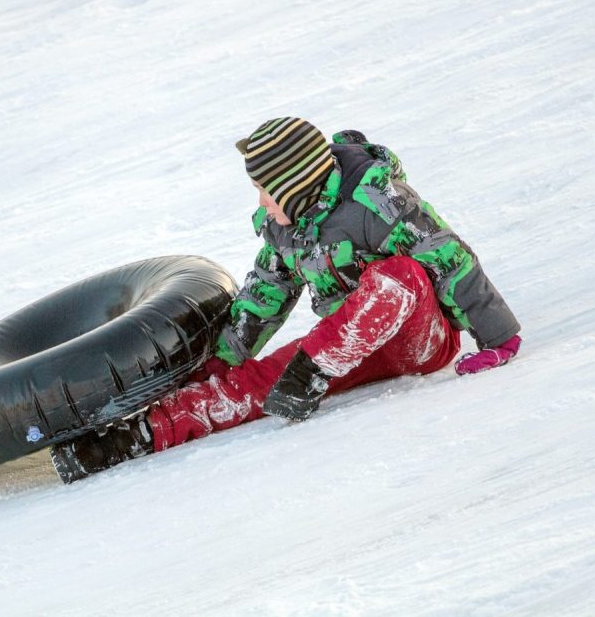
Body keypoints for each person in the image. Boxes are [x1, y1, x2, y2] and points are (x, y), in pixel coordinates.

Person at [50, 117, 522, 483]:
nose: (261, 203)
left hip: (420, 338)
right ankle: (127, 440)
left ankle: (313, 369)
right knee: (258, 382)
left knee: (399, 275)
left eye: (265, 191)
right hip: (343, 348)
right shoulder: (286, 230)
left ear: (295, 185)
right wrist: (217, 365)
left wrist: (498, 337)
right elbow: (264, 296)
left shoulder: (378, 204)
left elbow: (449, 258)